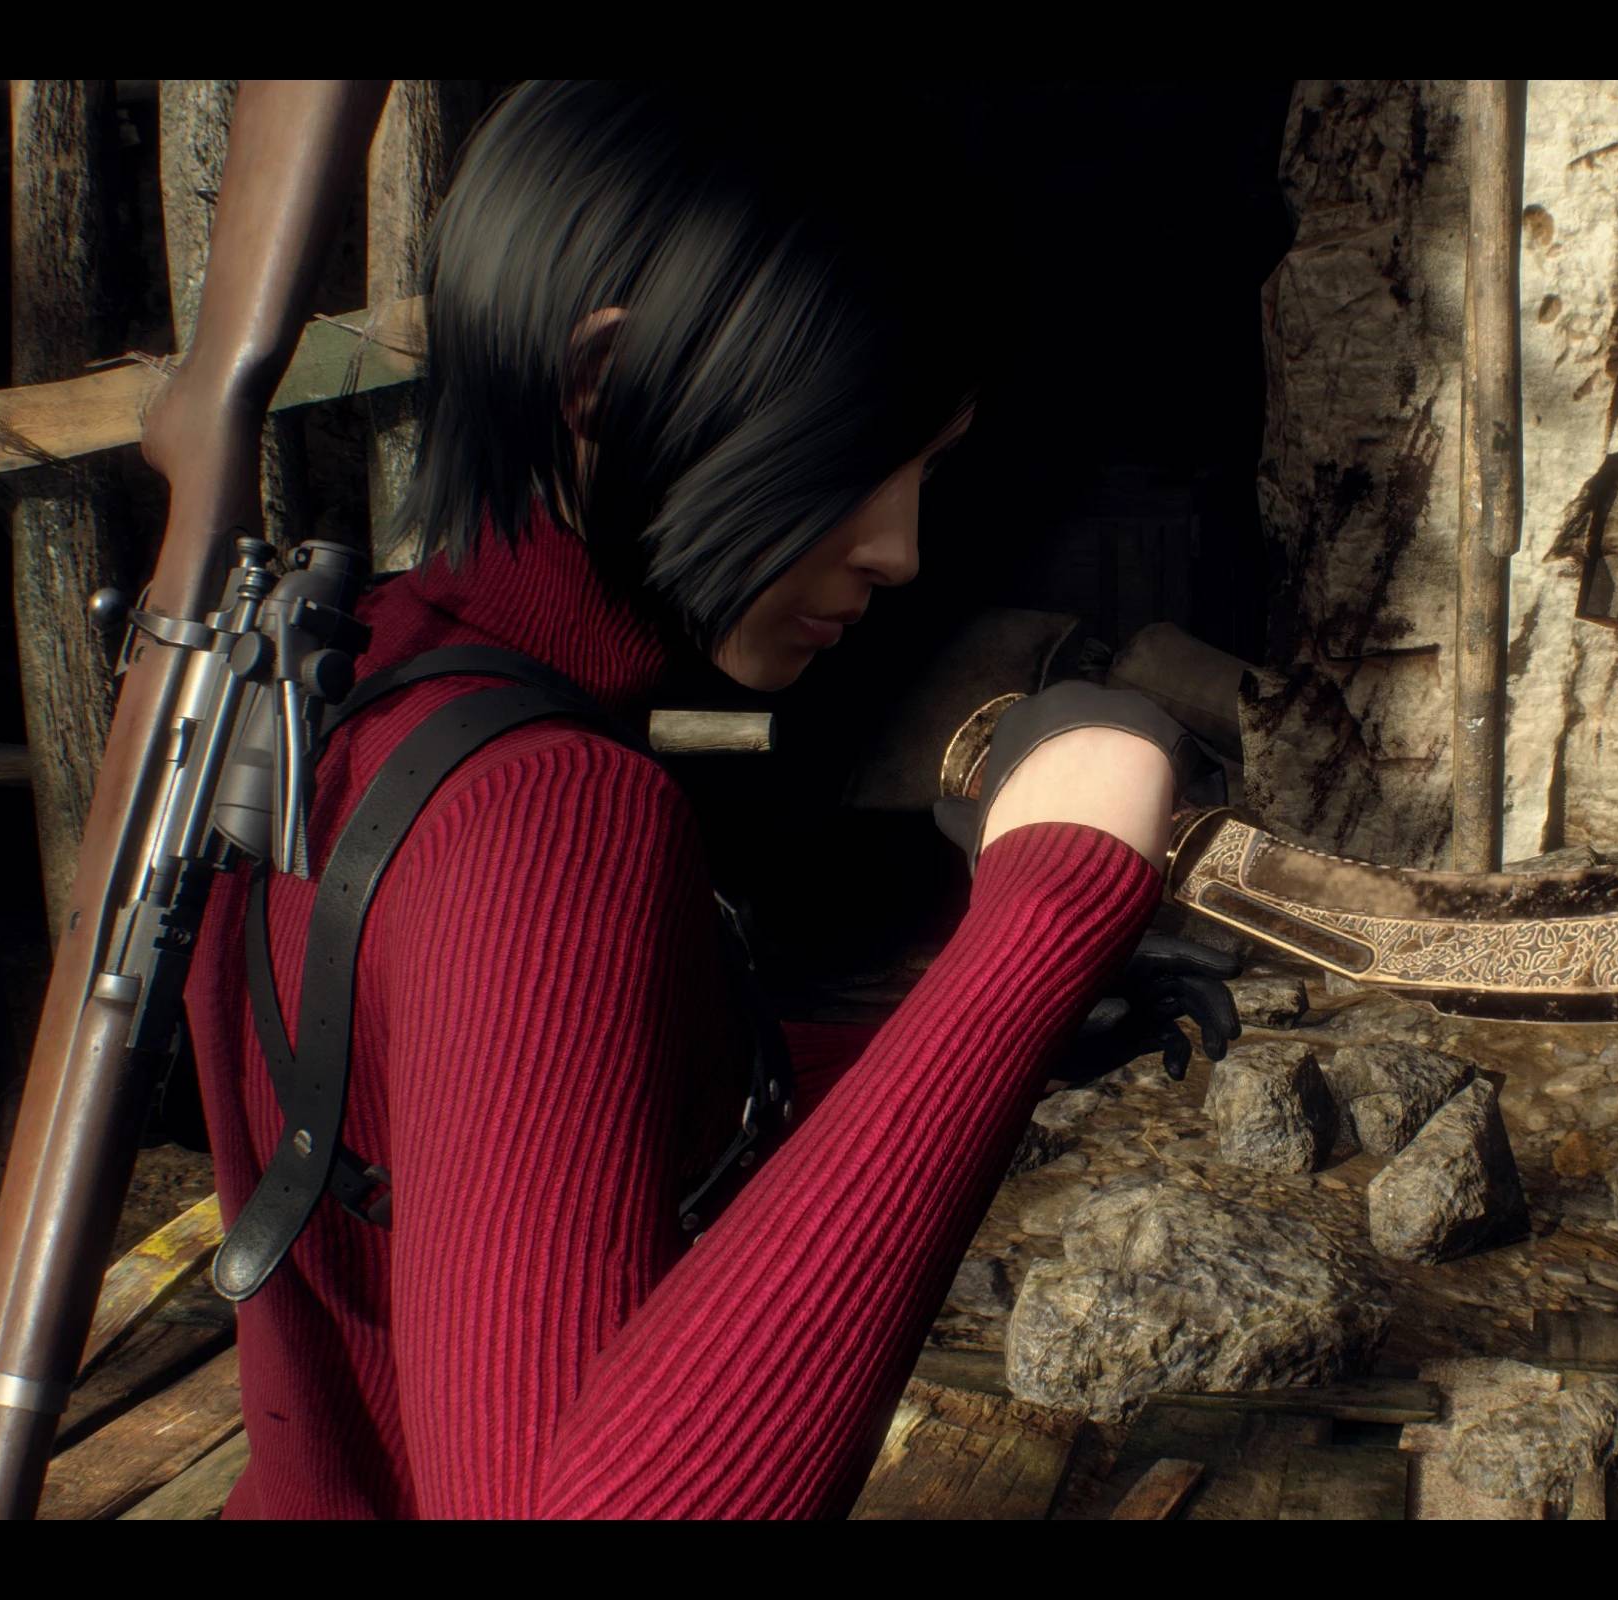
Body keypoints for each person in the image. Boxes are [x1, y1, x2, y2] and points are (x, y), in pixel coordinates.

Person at [180, 81, 1230, 1519]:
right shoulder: (544, 814)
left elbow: (530, 1122)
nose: (902, 549)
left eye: (925, 471)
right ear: (606, 381)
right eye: (860, 453)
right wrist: (1048, 907)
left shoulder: (370, 670)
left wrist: (974, 1039)